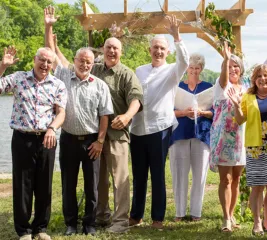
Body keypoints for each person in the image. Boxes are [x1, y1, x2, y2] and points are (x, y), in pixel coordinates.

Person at [47, 6, 144, 233]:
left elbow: (136, 99)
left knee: (120, 180)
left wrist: (127, 116)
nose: (112, 51)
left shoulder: (126, 74)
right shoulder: (94, 68)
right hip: (95, 135)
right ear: (103, 49)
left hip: (117, 134)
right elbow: (65, 64)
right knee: (99, 182)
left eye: (116, 48)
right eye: (108, 47)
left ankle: (120, 222)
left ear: (121, 52)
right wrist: (55, 43)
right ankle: (101, 217)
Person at [44, 6, 114, 235]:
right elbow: (51, 54)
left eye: (88, 61)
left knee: (91, 187)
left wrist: (100, 141)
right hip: (68, 140)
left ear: (93, 63)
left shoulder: (100, 85)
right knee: (68, 186)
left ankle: (90, 224)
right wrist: (49, 26)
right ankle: (71, 224)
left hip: (92, 141)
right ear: (74, 61)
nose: (84, 64)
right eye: (81, 60)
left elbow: (105, 115)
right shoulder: (64, 76)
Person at [210, 33, 267, 232]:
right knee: (226, 179)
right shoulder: (222, 85)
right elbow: (226, 80)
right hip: (225, 138)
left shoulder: (247, 89)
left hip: (243, 138)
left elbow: (264, 74)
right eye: (229, 66)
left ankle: (232, 216)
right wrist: (225, 59)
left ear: (241, 71)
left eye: (235, 66)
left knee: (237, 179)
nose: (232, 69)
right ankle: (226, 217)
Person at [0, 46, 67, 240]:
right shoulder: (19, 78)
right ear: (34, 59)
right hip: (22, 138)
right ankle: (23, 230)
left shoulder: (57, 84)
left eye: (49, 62)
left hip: (47, 138)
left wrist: (52, 128)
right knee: (22, 185)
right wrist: (3, 65)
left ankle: (41, 228)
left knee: (44, 184)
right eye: (42, 60)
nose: (45, 65)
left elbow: (61, 112)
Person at [129, 15, 189, 229]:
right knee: (138, 175)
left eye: (162, 48)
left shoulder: (173, 71)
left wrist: (176, 36)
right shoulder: (139, 70)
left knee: (157, 174)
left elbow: (185, 62)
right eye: (155, 47)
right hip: (136, 128)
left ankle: (158, 218)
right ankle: (136, 215)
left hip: (159, 128)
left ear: (167, 51)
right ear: (150, 50)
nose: (158, 51)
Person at [229, 64, 267, 236]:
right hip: (255, 147)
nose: (262, 79)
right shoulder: (248, 96)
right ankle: (257, 222)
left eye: (265, 76)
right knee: (257, 186)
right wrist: (236, 105)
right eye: (258, 76)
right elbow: (240, 119)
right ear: (254, 80)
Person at [169, 53, 213, 222]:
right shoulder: (177, 87)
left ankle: (196, 212)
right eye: (191, 68)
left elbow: (215, 112)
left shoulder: (208, 87)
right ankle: (179, 212)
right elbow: (166, 110)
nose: (194, 71)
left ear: (201, 69)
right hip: (179, 133)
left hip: (201, 134)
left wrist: (202, 112)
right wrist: (183, 112)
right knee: (179, 174)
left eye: (197, 68)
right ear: (186, 68)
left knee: (200, 174)